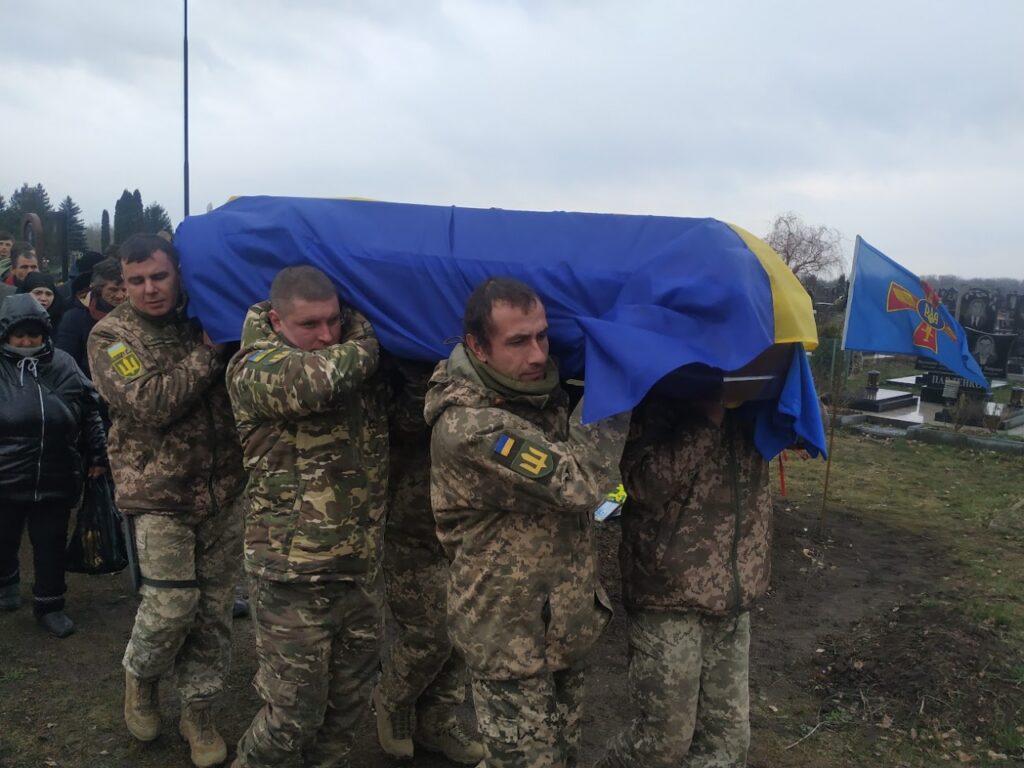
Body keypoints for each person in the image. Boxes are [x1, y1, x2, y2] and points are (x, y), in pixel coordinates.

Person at [424, 277, 627, 768]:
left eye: (543, 335)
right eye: (518, 341)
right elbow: (579, 482)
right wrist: (618, 383)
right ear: (478, 347)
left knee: (563, 754)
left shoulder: (537, 394)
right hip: (508, 636)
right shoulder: (471, 428)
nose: (537, 354)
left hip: (560, 623)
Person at [87, 233, 245, 768]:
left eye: (159, 276)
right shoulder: (112, 336)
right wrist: (209, 352)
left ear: (177, 273)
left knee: (214, 611)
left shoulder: (207, 316)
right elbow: (151, 402)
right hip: (158, 495)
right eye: (136, 281)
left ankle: (198, 711)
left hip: (223, 490)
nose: (149, 289)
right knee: (171, 606)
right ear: (123, 284)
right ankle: (142, 676)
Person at [226, 265, 388, 768]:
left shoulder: (351, 368)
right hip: (291, 576)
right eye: (310, 325)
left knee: (346, 709)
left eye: (334, 321)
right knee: (293, 715)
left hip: (358, 568)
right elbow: (314, 382)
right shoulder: (255, 366)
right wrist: (368, 337)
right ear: (276, 321)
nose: (325, 335)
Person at [593, 396, 772, 768]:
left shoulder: (759, 384)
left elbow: (804, 425)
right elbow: (642, 485)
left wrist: (782, 388)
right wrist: (708, 417)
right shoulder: (665, 385)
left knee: (726, 743)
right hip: (668, 593)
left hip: (734, 590)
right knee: (662, 742)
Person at [372, 357, 484, 765]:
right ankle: (393, 698)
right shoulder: (401, 361)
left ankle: (438, 718)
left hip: (470, 520)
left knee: (464, 631)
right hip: (413, 521)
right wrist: (426, 376)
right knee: (429, 633)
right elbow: (402, 422)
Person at [0, 294, 107, 637]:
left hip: (56, 471)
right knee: (3, 538)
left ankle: (50, 604)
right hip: (5, 474)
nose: (27, 341)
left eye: (34, 334)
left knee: (50, 544)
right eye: (19, 335)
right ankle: (6, 584)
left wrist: (98, 454)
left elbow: (90, 409)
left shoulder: (63, 363)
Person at [55, 257, 126, 377]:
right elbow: (65, 363)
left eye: (124, 290)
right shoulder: (74, 319)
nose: (120, 296)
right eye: (113, 290)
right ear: (97, 289)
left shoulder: (135, 315)